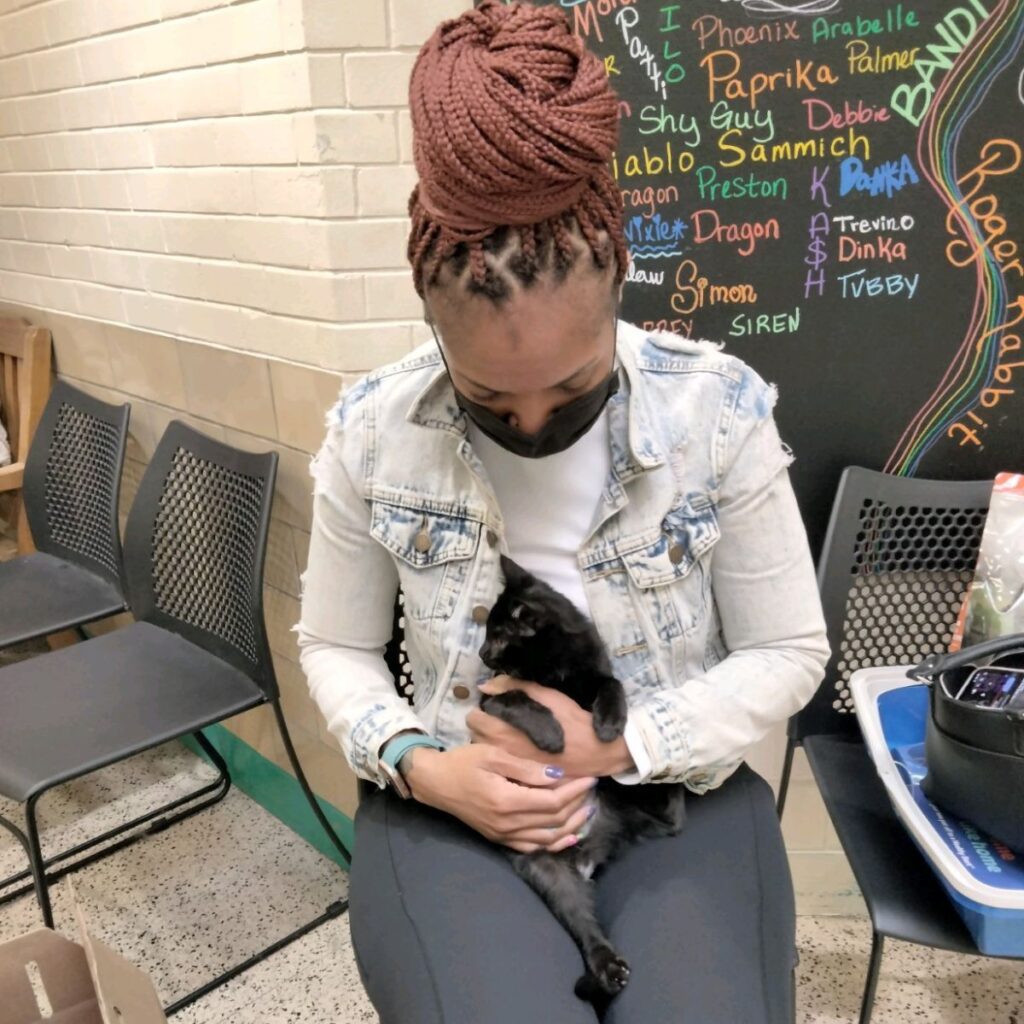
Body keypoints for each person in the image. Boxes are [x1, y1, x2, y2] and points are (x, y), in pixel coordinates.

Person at [295, 3, 831, 1021]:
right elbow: (334, 645)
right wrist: (422, 765)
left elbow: (789, 650)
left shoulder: (716, 413)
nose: (533, 423)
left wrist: (619, 747)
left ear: (619, 282)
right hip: (454, 803)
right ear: (429, 320)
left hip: (671, 798)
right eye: (489, 402)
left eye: (572, 388)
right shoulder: (372, 433)